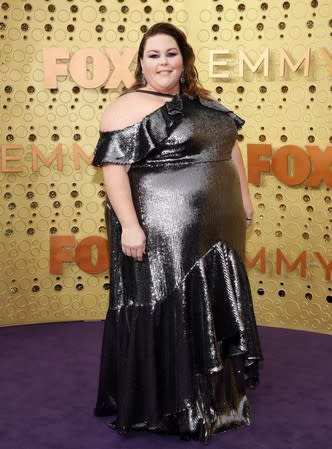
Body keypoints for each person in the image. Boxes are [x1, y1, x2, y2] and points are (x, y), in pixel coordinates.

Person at [92, 22, 263, 442]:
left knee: (211, 303)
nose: (163, 61)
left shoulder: (203, 103)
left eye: (171, 53)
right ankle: (172, 404)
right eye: (154, 55)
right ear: (141, 63)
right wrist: (130, 227)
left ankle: (211, 396)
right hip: (163, 230)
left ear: (184, 59)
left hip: (219, 226)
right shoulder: (127, 106)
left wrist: (243, 197)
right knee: (171, 304)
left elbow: (230, 151)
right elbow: (114, 173)